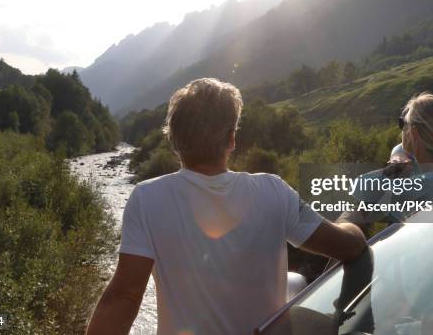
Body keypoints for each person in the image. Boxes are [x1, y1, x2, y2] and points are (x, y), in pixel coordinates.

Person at [86, 78, 367, 335]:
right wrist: (353, 222)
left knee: (294, 281)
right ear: (232, 139)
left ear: (174, 140)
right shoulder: (274, 191)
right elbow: (349, 246)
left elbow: (124, 297)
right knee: (295, 283)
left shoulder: (146, 198)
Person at [340, 92, 433, 229]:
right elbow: (400, 148)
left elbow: (360, 188)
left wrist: (390, 170)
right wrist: (398, 155)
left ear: (413, 133)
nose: (400, 130)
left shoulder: (425, 182)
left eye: (402, 123)